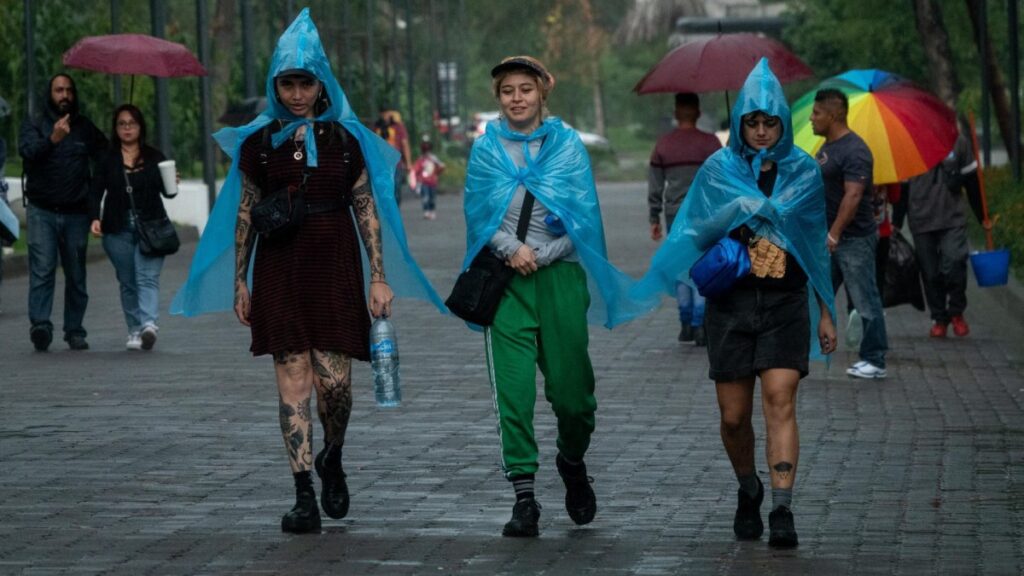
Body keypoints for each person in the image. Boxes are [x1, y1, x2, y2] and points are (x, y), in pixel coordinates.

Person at [170, 9, 443, 534]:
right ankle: (303, 496)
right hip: (280, 271)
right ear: (277, 86)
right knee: (293, 382)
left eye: (305, 82)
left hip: (336, 268)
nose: (296, 93)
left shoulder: (348, 141)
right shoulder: (259, 143)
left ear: (322, 86)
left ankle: (332, 456)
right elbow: (246, 212)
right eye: (287, 83)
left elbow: (366, 208)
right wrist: (239, 281)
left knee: (335, 387)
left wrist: (378, 275)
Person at [633, 59, 837, 549]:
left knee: (780, 401)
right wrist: (736, 207)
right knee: (732, 416)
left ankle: (782, 509)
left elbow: (812, 246)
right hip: (732, 304)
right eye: (753, 122)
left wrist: (825, 310)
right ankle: (749, 487)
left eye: (771, 122)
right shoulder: (718, 170)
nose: (763, 131)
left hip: (786, 302)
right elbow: (694, 231)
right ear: (741, 121)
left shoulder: (805, 173)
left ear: (783, 123)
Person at [460, 55, 656, 538]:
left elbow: (585, 222)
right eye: (507, 90)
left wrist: (542, 255)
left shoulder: (568, 148)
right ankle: (524, 497)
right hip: (506, 282)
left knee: (573, 398)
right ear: (498, 98)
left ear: (542, 92)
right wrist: (512, 250)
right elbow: (478, 214)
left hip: (560, 276)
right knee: (515, 394)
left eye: (525, 88)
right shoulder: (486, 152)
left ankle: (572, 460)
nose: (517, 98)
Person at [18, 73, 107, 351]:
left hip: (77, 214)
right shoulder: (34, 123)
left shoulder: (84, 128)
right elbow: (28, 152)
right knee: (43, 270)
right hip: (41, 211)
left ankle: (75, 330)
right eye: (59, 90)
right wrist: (53, 139)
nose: (64, 95)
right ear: (50, 93)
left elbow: (107, 156)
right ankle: (41, 326)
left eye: (69, 90)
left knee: (76, 274)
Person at [810, 88, 889, 379]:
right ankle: (811, 347)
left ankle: (875, 359)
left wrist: (834, 234)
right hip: (830, 239)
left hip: (852, 239)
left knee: (865, 298)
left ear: (833, 115)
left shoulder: (855, 150)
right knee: (818, 292)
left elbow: (853, 196)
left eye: (817, 113)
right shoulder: (826, 148)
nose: (811, 118)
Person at [89, 104, 176, 351]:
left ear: (141, 127)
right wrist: (94, 217)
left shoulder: (154, 156)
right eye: (122, 124)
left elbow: (168, 193)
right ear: (115, 128)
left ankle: (149, 324)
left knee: (147, 277)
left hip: (151, 226)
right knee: (128, 281)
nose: (127, 128)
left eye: (132, 123)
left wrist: (173, 182)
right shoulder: (107, 159)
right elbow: (95, 191)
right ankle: (134, 329)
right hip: (117, 228)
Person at [893, 127, 985, 338]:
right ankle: (939, 317)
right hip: (921, 219)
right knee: (930, 272)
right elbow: (903, 190)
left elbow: (972, 180)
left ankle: (957, 312)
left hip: (952, 218)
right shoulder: (909, 145)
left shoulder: (958, 142)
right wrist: (897, 223)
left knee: (954, 261)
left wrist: (982, 217)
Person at [647, 92, 722, 345]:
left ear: (677, 113)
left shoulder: (664, 144)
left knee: (681, 267)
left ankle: (685, 324)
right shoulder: (711, 143)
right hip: (705, 214)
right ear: (698, 113)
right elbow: (721, 181)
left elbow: (656, 185)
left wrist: (654, 216)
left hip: (674, 214)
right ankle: (701, 325)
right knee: (702, 265)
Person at [374, 105, 412, 206]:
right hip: (381, 164)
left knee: (396, 188)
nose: (385, 115)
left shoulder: (398, 126)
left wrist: (408, 163)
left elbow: (405, 144)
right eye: (383, 113)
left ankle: (395, 210)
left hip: (396, 163)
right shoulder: (376, 127)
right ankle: (387, 211)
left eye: (387, 112)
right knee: (383, 189)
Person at [410, 137, 445, 220]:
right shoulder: (421, 159)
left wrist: (436, 174)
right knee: (425, 197)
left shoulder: (433, 158)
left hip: (432, 182)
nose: (426, 147)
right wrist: (415, 181)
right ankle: (426, 211)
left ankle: (432, 211)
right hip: (424, 182)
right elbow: (415, 170)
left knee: (432, 198)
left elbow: (441, 166)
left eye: (427, 145)